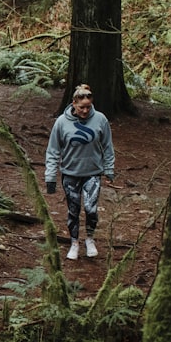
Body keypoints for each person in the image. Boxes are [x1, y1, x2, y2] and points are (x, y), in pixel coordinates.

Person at [45, 84, 115, 260]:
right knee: (73, 210)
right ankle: (74, 242)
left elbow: (108, 146)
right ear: (74, 103)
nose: (85, 111)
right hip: (70, 173)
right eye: (82, 107)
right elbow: (53, 150)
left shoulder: (100, 120)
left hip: (92, 173)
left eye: (88, 107)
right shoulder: (61, 122)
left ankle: (89, 238)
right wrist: (50, 176)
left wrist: (109, 168)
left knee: (91, 209)